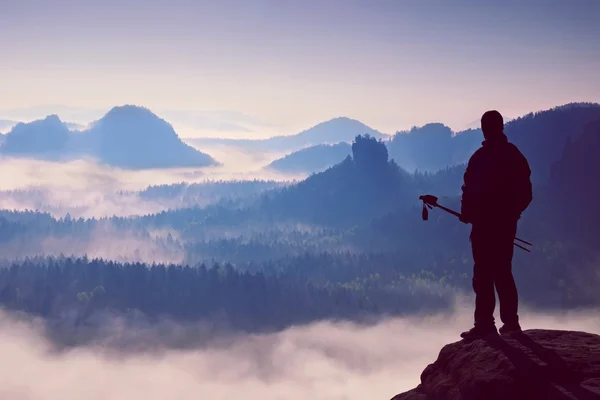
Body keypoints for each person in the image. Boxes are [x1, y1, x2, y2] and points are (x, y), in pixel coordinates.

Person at [459, 110, 533, 340]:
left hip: (488, 226)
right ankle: (505, 323)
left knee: (488, 273)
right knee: (495, 273)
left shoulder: (481, 158)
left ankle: (489, 323)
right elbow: (524, 194)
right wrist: (510, 215)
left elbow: (469, 189)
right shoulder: (512, 156)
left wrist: (469, 213)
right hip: (496, 226)